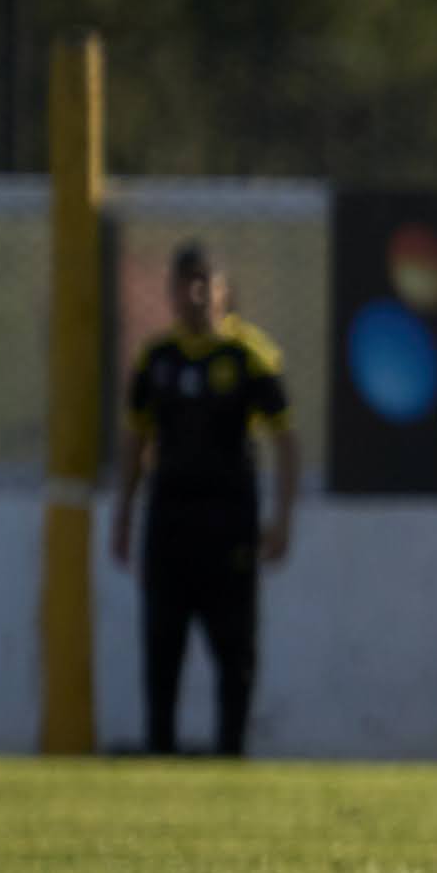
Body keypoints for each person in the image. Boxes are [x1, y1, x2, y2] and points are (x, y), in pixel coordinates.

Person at [110, 240, 294, 757]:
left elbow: (286, 440)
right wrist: (124, 514)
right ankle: (159, 751)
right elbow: (136, 440)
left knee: (234, 649)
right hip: (169, 521)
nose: (194, 296)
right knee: (162, 645)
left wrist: (282, 518)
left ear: (222, 291)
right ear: (170, 291)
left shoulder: (250, 356)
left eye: (204, 284)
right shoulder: (156, 358)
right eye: (184, 284)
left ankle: (231, 754)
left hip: (230, 523)